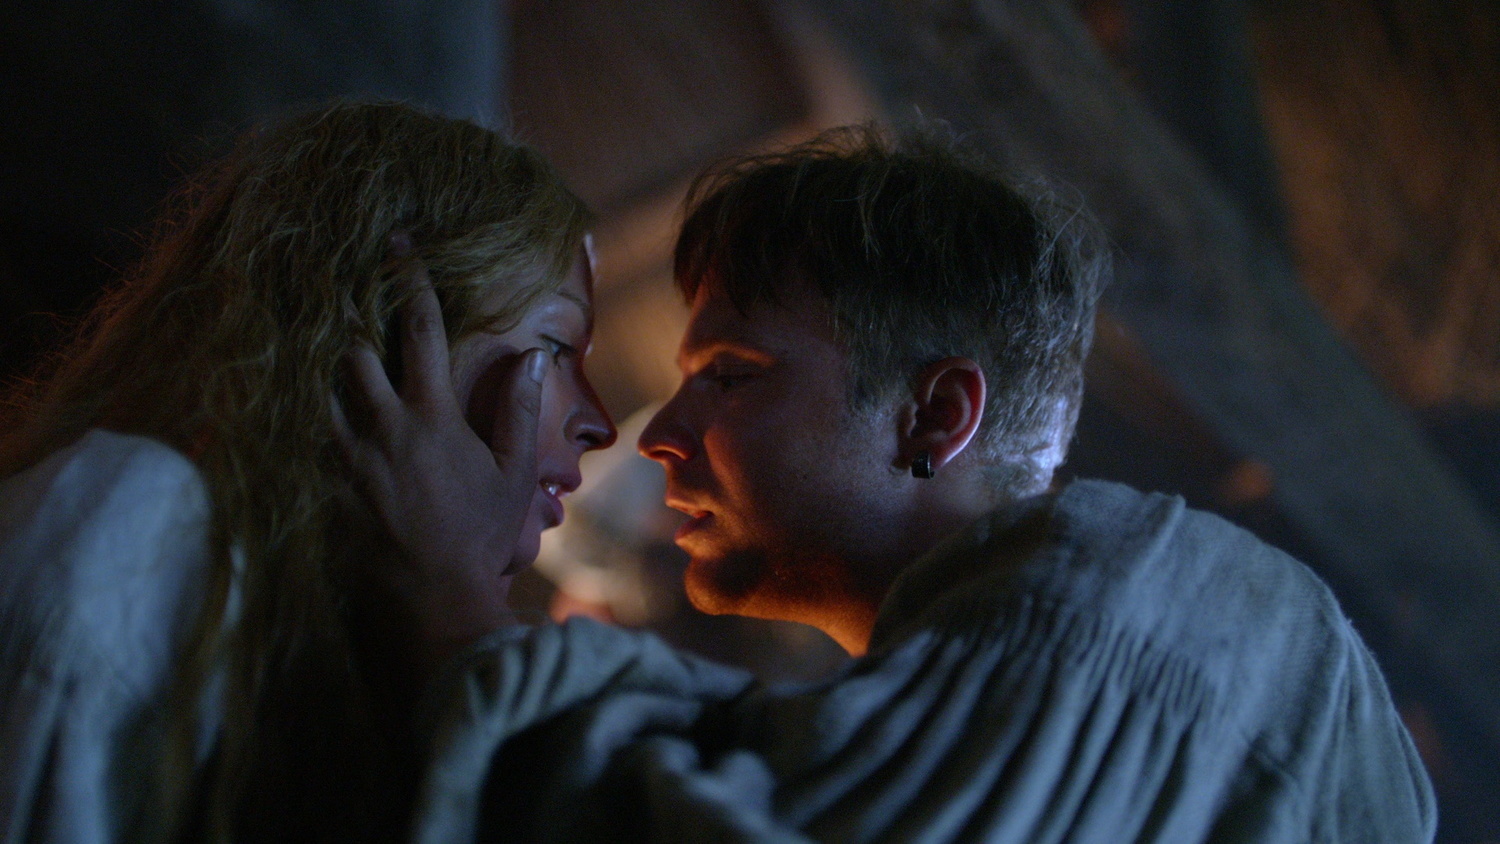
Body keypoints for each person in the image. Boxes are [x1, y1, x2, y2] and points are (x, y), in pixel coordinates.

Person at [375, 125, 1436, 842]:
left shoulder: (1146, 594)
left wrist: (452, 597)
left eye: (730, 375)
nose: (659, 437)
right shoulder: (1005, 658)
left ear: (933, 416)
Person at [0, 101, 615, 842]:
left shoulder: (372, 634)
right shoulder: (139, 526)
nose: (600, 423)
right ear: (390, 324)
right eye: (557, 348)